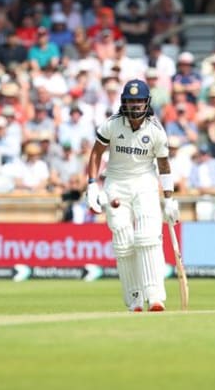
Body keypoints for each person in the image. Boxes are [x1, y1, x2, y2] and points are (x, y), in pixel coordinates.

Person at [86, 79, 179, 312]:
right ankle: (134, 299)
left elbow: (164, 165)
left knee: (147, 238)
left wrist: (169, 199)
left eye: (139, 101)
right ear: (123, 103)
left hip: (145, 183)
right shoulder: (112, 124)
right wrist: (91, 185)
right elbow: (96, 153)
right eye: (131, 101)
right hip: (116, 183)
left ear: (147, 102)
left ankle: (155, 296)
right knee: (123, 242)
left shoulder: (156, 130)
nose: (135, 105)